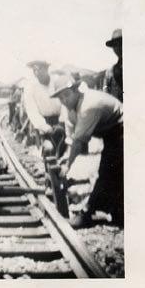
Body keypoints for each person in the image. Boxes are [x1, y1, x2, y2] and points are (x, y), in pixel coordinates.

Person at [51, 73, 123, 227]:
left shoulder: (88, 105)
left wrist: (68, 167)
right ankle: (116, 211)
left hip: (124, 129)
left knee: (107, 172)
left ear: (77, 90)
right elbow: (72, 138)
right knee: (113, 172)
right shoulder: (71, 108)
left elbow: (78, 143)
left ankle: (87, 213)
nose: (64, 100)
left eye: (66, 95)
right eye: (60, 98)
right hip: (111, 133)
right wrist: (65, 159)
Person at [23, 60, 65, 156]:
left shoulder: (57, 81)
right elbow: (32, 110)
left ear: (47, 68)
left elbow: (65, 103)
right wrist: (44, 127)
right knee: (49, 149)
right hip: (45, 122)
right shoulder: (30, 87)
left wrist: (63, 121)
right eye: (34, 70)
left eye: (40, 69)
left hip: (62, 120)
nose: (37, 73)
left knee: (66, 150)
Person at [103, 29, 123, 102]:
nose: (118, 48)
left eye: (120, 43)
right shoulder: (110, 72)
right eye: (115, 45)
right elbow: (105, 97)